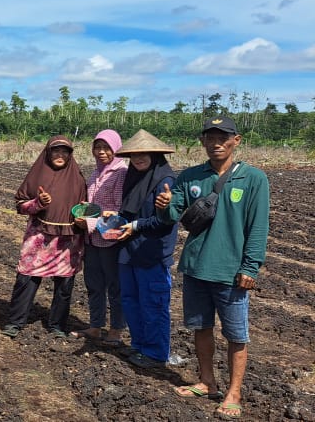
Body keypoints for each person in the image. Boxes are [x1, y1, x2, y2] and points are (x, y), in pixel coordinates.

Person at [156, 116, 269, 419]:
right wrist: (165, 204)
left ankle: (234, 391)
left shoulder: (253, 178)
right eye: (210, 137)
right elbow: (171, 217)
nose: (216, 143)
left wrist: (250, 267)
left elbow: (258, 226)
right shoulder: (190, 176)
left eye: (223, 137)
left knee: (236, 335)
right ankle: (208, 382)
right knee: (201, 328)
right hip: (195, 267)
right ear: (202, 141)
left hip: (231, 272)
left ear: (237, 140)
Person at [3, 136, 86, 338]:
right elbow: (20, 205)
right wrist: (38, 202)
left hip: (68, 239)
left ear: (70, 154)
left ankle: (57, 325)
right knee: (27, 277)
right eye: (56, 151)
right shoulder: (37, 175)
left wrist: (83, 218)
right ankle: (16, 322)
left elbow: (85, 206)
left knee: (64, 283)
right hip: (39, 237)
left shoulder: (78, 178)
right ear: (48, 153)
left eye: (64, 151)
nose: (60, 155)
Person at [110, 129, 177, 368]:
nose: (138, 159)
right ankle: (139, 345)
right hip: (129, 251)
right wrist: (115, 218)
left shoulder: (165, 181)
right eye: (134, 155)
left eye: (143, 154)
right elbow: (130, 212)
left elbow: (165, 220)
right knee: (130, 300)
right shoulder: (134, 178)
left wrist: (136, 225)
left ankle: (156, 353)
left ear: (154, 155)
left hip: (152, 253)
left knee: (153, 303)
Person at [70, 130, 128, 345]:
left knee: (115, 286)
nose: (101, 152)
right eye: (98, 147)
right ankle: (95, 326)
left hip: (110, 240)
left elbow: (120, 211)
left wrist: (91, 221)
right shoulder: (96, 172)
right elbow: (99, 206)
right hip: (92, 240)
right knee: (94, 285)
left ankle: (116, 330)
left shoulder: (120, 172)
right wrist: (88, 209)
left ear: (116, 149)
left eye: (106, 147)